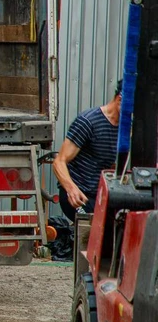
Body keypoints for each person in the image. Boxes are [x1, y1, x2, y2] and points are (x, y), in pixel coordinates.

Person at [52, 83, 120, 220]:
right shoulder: (88, 121)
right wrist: (71, 189)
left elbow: (108, 165)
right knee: (93, 229)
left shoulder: (125, 128)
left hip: (99, 197)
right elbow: (59, 161)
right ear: (120, 99)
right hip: (78, 196)